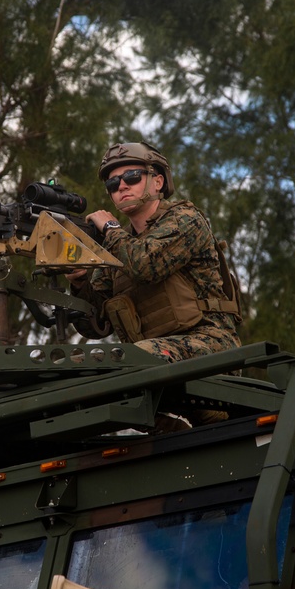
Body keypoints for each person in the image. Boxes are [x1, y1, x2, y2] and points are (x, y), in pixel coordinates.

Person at [68, 142, 242, 426]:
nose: (122, 186)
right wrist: (78, 281)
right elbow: (94, 325)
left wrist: (110, 229)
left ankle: (191, 416)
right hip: (152, 358)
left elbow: (145, 265)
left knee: (132, 358)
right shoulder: (116, 245)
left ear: (158, 181)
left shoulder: (186, 220)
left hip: (211, 344)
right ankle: (168, 424)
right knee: (81, 365)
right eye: (113, 183)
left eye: (132, 177)